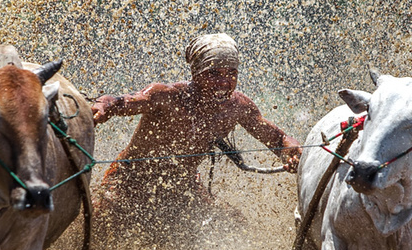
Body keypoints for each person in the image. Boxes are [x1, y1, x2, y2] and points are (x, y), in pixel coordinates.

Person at [91, 33, 302, 238]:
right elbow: (120, 102)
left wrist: (290, 153)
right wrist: (103, 105)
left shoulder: (237, 106)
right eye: (214, 74)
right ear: (196, 73)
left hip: (182, 187)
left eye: (231, 73)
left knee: (235, 225)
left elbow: (278, 139)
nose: (224, 82)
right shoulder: (166, 96)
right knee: (96, 232)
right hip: (129, 181)